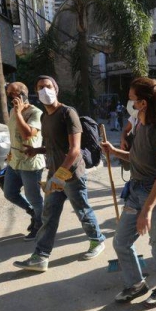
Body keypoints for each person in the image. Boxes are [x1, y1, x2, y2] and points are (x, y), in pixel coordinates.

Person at [13, 75, 105, 272]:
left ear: (56, 89)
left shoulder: (68, 113)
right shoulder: (46, 117)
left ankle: (97, 240)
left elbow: (74, 150)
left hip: (72, 174)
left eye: (48, 86)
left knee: (82, 211)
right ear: (36, 93)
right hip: (55, 174)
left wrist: (58, 176)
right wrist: (36, 151)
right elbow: (52, 146)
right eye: (40, 87)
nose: (44, 90)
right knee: (49, 216)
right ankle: (41, 256)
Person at [101, 77, 156, 308]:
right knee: (121, 241)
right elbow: (136, 158)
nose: (129, 102)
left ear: (143, 103)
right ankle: (136, 283)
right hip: (135, 190)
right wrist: (114, 151)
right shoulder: (140, 125)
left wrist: (147, 210)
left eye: (132, 99)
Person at [4, 82, 46, 241]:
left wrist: (19, 113)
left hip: (30, 163)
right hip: (14, 161)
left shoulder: (36, 113)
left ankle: (40, 225)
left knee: (34, 198)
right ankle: (33, 213)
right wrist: (9, 152)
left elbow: (28, 134)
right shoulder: (12, 111)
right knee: (9, 193)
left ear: (22, 95)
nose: (10, 97)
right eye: (8, 94)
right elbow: (14, 135)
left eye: (13, 94)